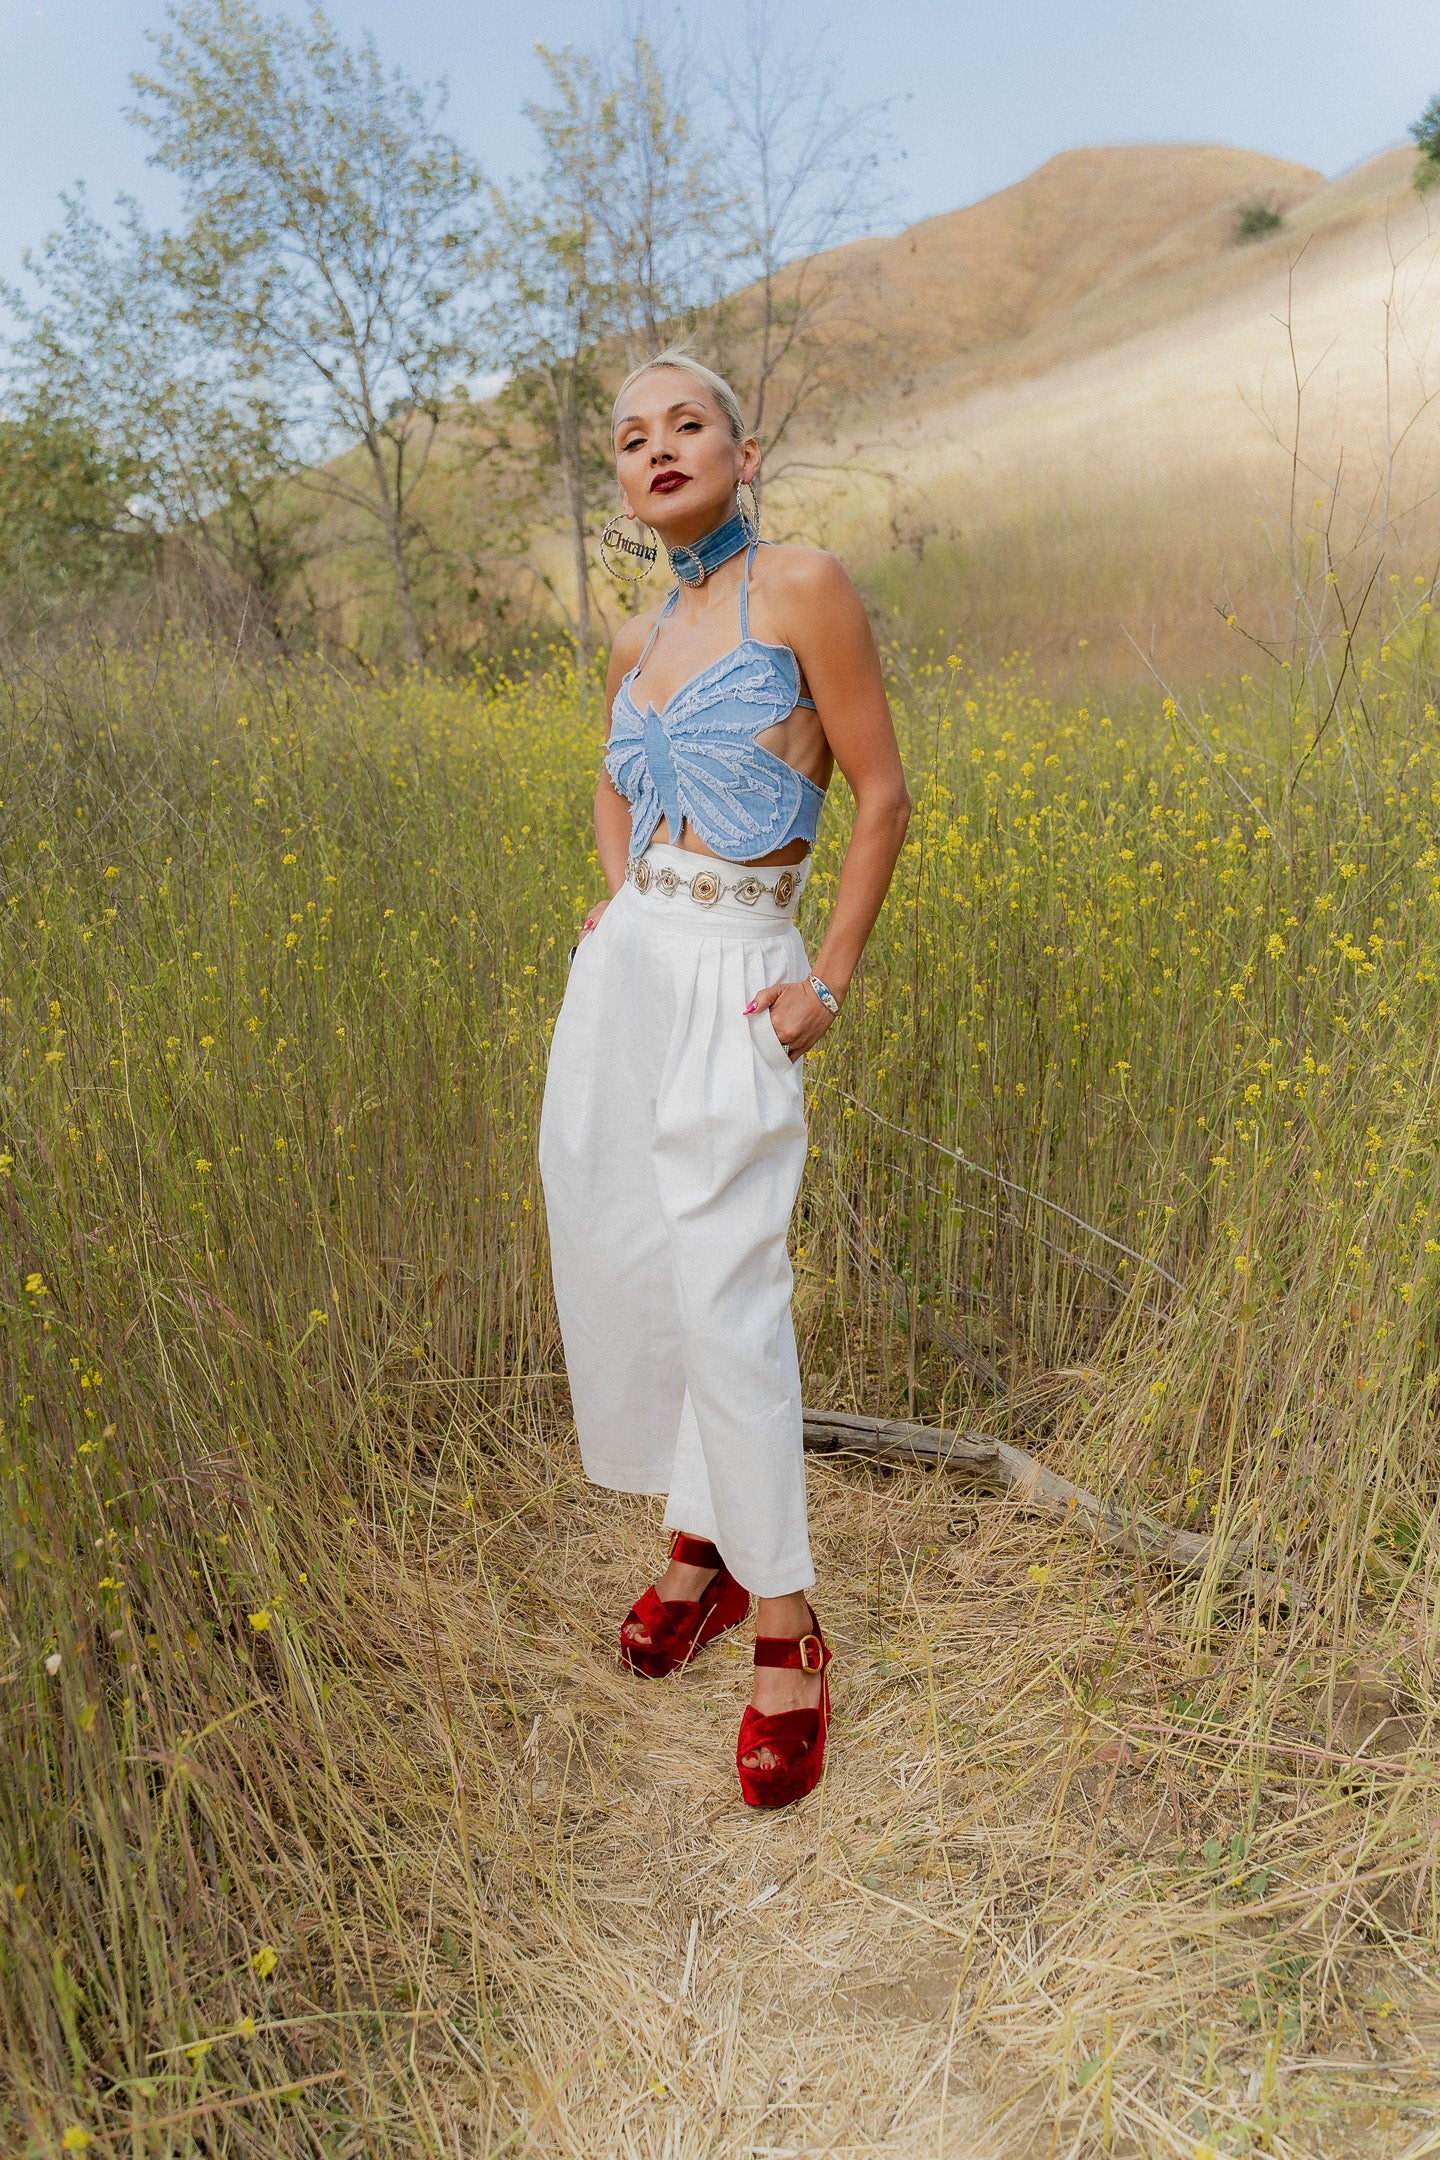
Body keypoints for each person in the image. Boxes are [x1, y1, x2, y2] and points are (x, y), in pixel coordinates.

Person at [538, 350, 910, 1808]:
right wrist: (617, 895)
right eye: (632, 437)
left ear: (742, 456)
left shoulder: (800, 588)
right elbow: (613, 778)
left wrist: (830, 978)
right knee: (634, 1258)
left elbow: (881, 795)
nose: (659, 447)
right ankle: (700, 1549)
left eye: (687, 423)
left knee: (731, 1293)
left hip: (743, 972)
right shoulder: (637, 632)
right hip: (628, 976)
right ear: (625, 483)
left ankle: (787, 1625)